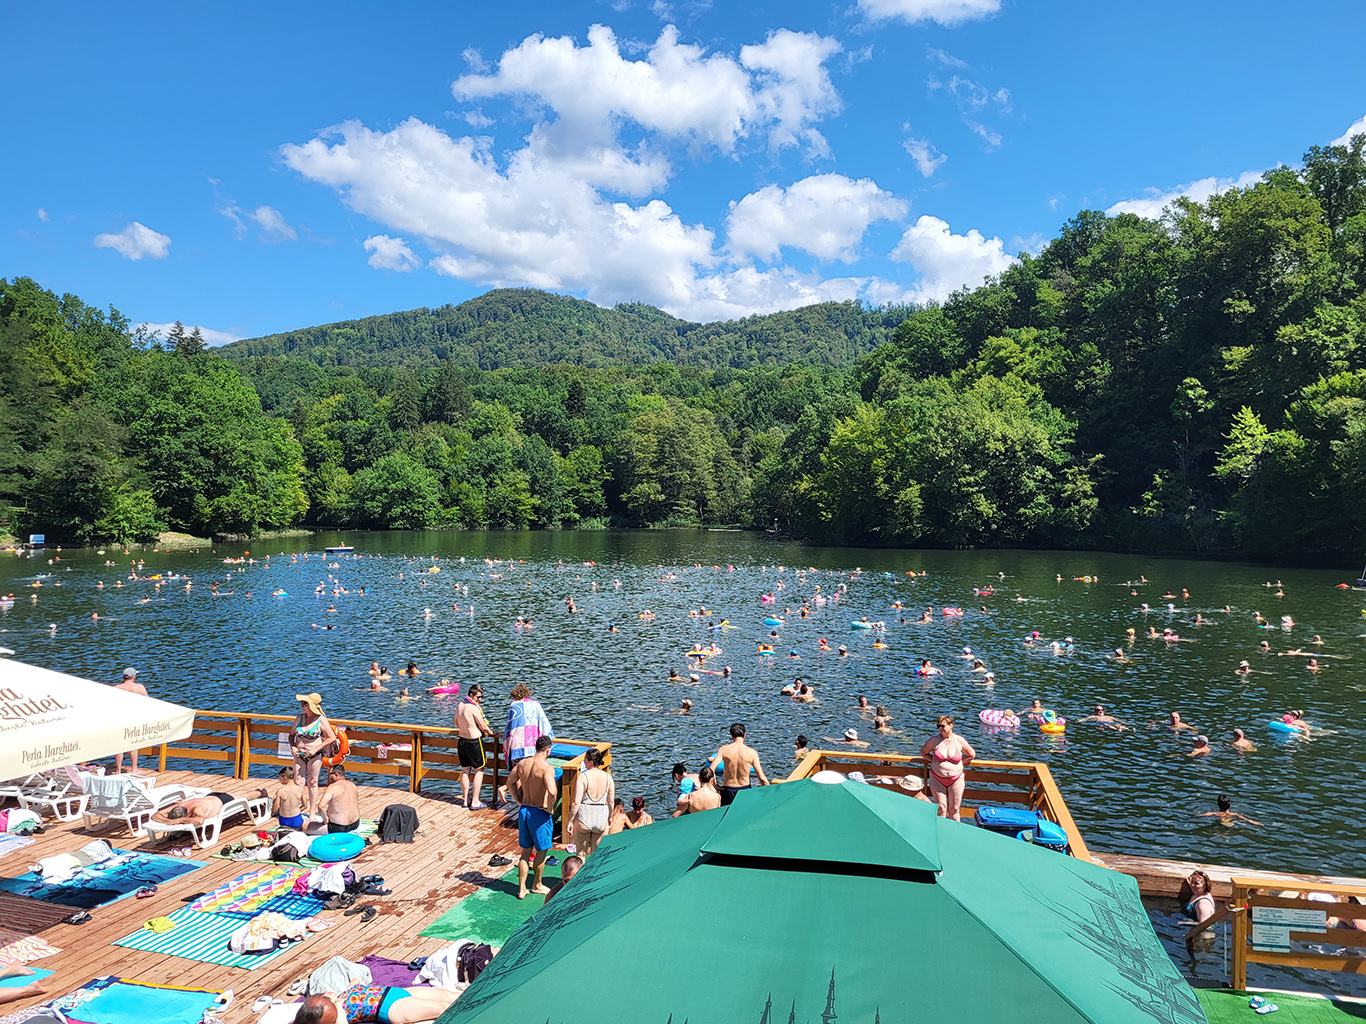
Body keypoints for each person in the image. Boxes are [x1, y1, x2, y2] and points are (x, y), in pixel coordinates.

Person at [507, 735, 557, 899]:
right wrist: (550, 806)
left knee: (525, 852)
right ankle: (536, 884)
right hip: (538, 812)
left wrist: (518, 800)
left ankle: (521, 889)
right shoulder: (546, 768)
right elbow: (552, 790)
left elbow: (509, 782)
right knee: (542, 850)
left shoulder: (522, 764)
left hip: (525, 810)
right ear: (548, 750)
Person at [292, 983, 458, 1024]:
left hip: (394, 991)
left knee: (449, 995)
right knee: (445, 1008)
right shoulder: (338, 1016)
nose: (327, 994)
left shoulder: (332, 1001)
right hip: (392, 1007)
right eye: (326, 999)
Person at [290, 693, 338, 822]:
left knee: (312, 782)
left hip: (315, 755)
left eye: (305, 704)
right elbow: (291, 735)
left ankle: (311, 812)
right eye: (302, 703)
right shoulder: (299, 718)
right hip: (299, 754)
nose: (302, 706)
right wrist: (293, 746)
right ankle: (296, 811)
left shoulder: (320, 719)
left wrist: (316, 749)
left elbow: (331, 737)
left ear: (311, 706)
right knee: (298, 782)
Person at [919, 715, 976, 821]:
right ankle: (941, 833)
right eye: (938, 726)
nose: (940, 728)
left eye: (943, 726)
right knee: (941, 808)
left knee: (954, 809)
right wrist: (934, 761)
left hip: (956, 779)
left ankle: (955, 834)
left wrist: (960, 763)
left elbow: (971, 754)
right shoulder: (934, 740)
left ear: (951, 726)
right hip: (937, 779)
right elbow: (923, 752)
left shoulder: (959, 740)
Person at [568, 747, 614, 857]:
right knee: (596, 856)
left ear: (590, 762)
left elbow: (576, 802)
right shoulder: (608, 777)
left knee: (580, 854)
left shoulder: (583, 777)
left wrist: (570, 820)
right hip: (601, 816)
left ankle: (580, 874)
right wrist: (610, 816)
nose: (583, 762)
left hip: (585, 815)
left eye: (584, 760)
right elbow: (611, 801)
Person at [711, 723, 769, 806]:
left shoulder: (724, 750)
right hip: (745, 791)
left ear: (732, 736)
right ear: (744, 735)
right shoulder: (751, 753)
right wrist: (768, 793)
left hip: (728, 790)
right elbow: (762, 778)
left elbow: (711, 769)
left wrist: (715, 786)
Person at [455, 684, 493, 810]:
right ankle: (475, 801)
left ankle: (466, 800)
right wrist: (492, 733)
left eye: (481, 697)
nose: (480, 700)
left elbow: (455, 721)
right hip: (474, 742)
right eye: (478, 697)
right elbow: (483, 725)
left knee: (465, 770)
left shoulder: (460, 705)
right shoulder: (473, 707)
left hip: (462, 740)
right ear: (471, 695)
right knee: (479, 770)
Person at [504, 683, 554, 773]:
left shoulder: (514, 705)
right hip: (532, 746)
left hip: (517, 746)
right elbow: (544, 724)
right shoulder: (535, 705)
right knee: (530, 773)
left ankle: (517, 787)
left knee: (517, 773)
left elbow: (509, 727)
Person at [113, 667, 148, 772]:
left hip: (120, 718)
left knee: (119, 745)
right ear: (134, 676)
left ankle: (118, 770)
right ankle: (134, 769)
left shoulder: (116, 688)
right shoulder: (139, 688)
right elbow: (149, 702)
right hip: (133, 717)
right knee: (133, 743)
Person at [317, 764, 361, 832]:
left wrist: (325, 819)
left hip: (338, 827)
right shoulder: (353, 785)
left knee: (305, 827)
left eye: (330, 774)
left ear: (336, 774)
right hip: (355, 824)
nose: (329, 776)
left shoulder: (332, 787)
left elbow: (321, 806)